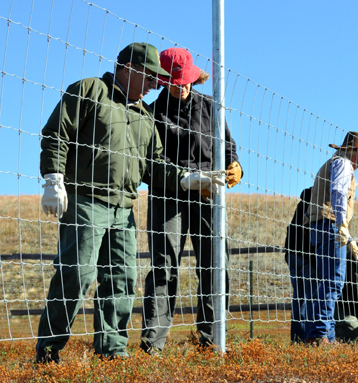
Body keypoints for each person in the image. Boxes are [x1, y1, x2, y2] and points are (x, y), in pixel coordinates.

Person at [36, 43, 225, 363]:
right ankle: (49, 350)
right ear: (130, 68)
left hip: (124, 208)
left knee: (121, 279)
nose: (155, 86)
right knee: (77, 274)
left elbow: (154, 166)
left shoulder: (143, 117)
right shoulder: (90, 90)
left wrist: (186, 178)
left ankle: (113, 351)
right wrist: (53, 178)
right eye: (151, 78)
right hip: (85, 201)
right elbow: (58, 132)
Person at [140, 47, 242, 353]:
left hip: (209, 195)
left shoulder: (211, 108)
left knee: (214, 263)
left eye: (185, 80)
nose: (181, 86)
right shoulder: (151, 114)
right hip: (167, 196)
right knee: (164, 266)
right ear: (161, 80)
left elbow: (228, 146)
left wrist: (235, 164)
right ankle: (153, 345)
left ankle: (211, 340)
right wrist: (183, 177)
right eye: (173, 81)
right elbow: (147, 164)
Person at [302, 131, 358, 344]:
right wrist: (342, 224)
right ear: (351, 151)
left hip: (322, 225)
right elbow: (338, 193)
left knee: (327, 281)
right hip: (330, 225)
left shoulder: (333, 163)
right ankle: (320, 335)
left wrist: (350, 240)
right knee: (333, 281)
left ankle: (325, 334)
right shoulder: (343, 164)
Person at [284, 187, 316, 343]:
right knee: (311, 299)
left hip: (293, 254)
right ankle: (310, 339)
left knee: (299, 298)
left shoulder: (302, 203)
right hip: (308, 256)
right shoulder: (318, 202)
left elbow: (291, 229)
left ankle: (297, 340)